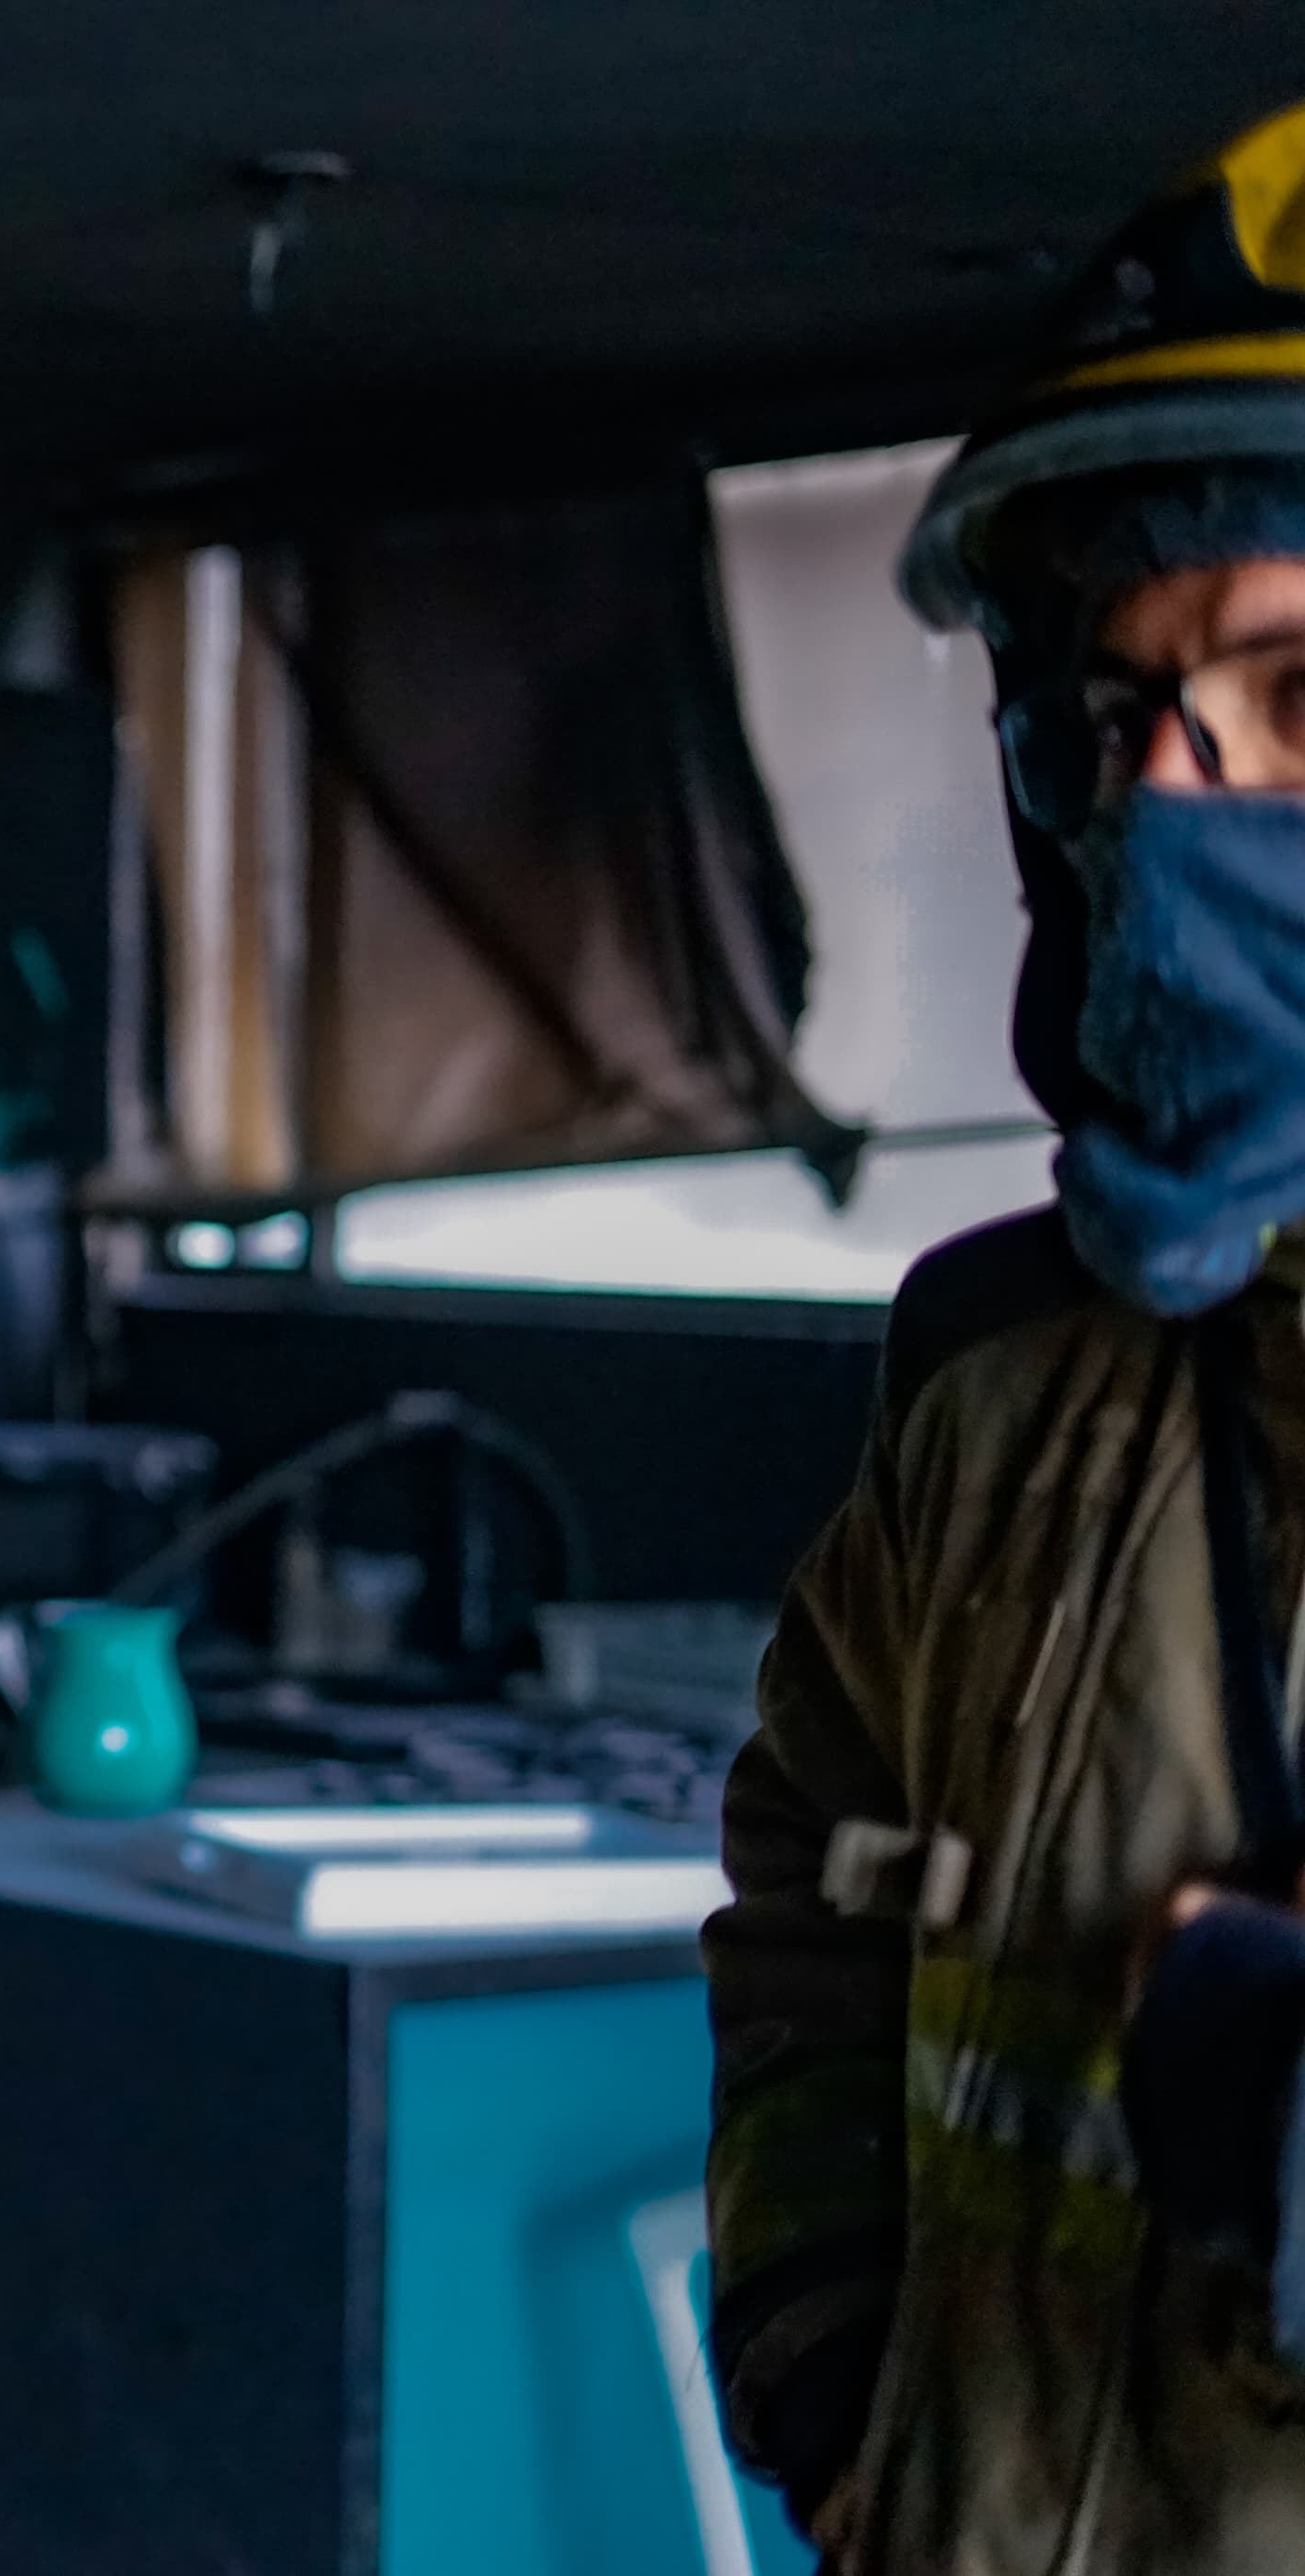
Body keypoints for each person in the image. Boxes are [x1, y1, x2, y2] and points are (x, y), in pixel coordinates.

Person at [702, 99, 1305, 2573]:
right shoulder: (1000, 1358)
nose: (1172, 803)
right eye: (1117, 715)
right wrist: (835, 2377)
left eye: (1292, 695)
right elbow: (811, 1884)